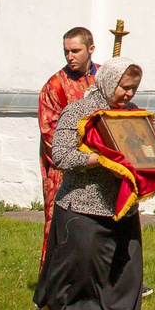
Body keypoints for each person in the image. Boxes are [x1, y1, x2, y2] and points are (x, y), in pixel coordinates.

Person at [35, 62, 155, 310]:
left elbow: (146, 151)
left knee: (124, 273)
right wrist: (99, 159)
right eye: (123, 87)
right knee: (74, 273)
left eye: (133, 88)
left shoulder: (133, 115)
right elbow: (60, 155)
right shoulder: (78, 112)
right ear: (108, 81)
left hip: (121, 208)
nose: (128, 94)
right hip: (82, 205)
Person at [35, 29, 99, 271]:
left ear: (91, 49)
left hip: (102, 165)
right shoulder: (55, 85)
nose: (69, 56)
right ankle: (55, 279)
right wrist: (82, 157)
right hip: (65, 169)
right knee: (62, 225)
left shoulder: (104, 77)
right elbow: (49, 131)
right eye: (66, 51)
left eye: (75, 51)